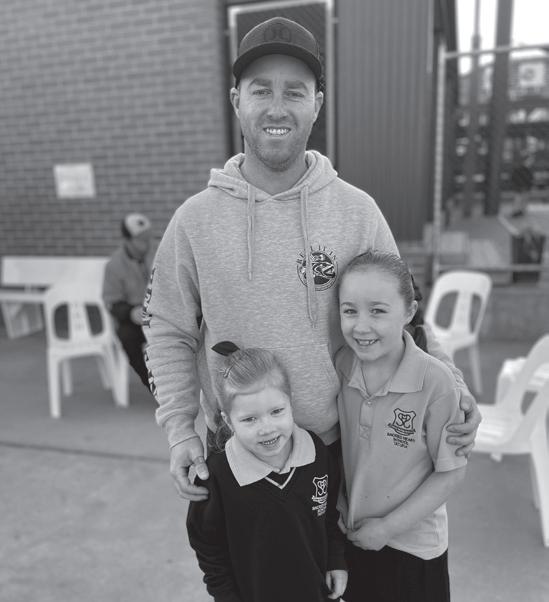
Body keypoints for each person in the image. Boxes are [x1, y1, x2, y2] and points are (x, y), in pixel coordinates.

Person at [143, 16, 480, 501]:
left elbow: (406, 317)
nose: (276, 107)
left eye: (295, 92)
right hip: (236, 452)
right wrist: (180, 429)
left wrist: (454, 385)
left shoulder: (357, 212)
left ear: (317, 104)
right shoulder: (194, 220)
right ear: (236, 101)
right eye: (261, 90)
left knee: (346, 555)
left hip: (342, 447)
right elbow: (167, 328)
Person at [335, 250, 467, 602]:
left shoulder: (436, 381)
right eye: (349, 311)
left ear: (409, 312)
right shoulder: (341, 365)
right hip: (354, 536)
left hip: (413, 549)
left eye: (378, 311)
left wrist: (387, 528)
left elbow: (451, 473)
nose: (361, 326)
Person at [186, 343, 347, 602]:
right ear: (228, 421)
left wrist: (335, 560)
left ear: (290, 401)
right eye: (250, 419)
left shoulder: (316, 452)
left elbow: (329, 517)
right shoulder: (217, 475)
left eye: (276, 412)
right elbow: (208, 547)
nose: (267, 428)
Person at [103, 212, 154, 388]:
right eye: (141, 239)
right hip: (134, 318)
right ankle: (152, 384)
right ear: (127, 240)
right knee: (127, 338)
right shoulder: (114, 265)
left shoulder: (157, 254)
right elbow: (111, 303)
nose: (147, 243)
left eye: (148, 237)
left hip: (160, 314)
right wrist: (131, 312)